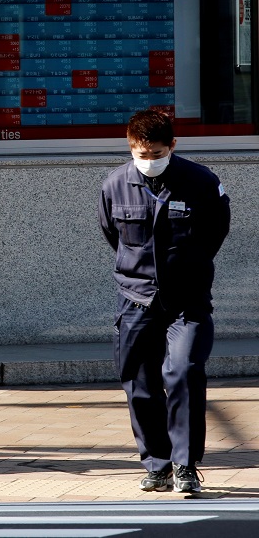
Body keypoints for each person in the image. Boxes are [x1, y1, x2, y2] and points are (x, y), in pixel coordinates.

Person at [99, 109, 230, 494]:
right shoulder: (115, 184)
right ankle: (156, 465)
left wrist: (184, 268)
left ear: (173, 146)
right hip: (136, 298)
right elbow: (113, 234)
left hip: (186, 300)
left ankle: (185, 465)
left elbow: (214, 234)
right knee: (140, 383)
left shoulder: (201, 182)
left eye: (156, 153)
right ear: (130, 147)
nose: (149, 161)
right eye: (142, 154)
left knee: (184, 372)